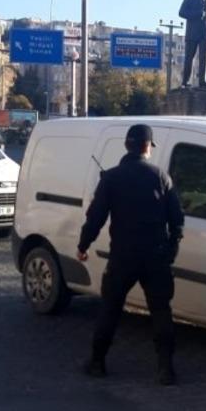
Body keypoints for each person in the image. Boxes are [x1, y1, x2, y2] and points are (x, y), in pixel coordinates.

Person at [78, 124, 185, 385]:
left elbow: (95, 218)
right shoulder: (161, 176)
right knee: (161, 311)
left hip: (123, 256)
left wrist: (83, 245)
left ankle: (97, 362)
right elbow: (177, 220)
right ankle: (166, 369)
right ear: (147, 146)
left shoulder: (111, 178)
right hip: (156, 256)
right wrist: (171, 250)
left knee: (110, 309)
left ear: (127, 145)